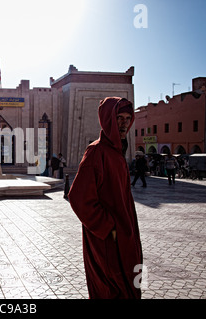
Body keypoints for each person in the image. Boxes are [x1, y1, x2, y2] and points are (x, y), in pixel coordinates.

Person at [68, 97, 143, 299]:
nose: (124, 123)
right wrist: (109, 228)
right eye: (119, 118)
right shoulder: (96, 152)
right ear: (107, 119)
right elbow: (78, 197)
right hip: (108, 240)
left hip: (124, 235)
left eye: (128, 118)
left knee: (130, 281)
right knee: (111, 290)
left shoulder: (116, 152)